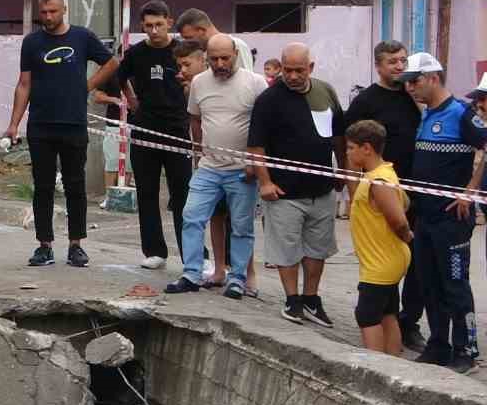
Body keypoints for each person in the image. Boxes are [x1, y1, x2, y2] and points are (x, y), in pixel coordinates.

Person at [5, 0, 119, 268]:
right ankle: (44, 245)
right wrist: (13, 124)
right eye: (43, 12)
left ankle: (76, 245)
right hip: (41, 126)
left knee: (75, 186)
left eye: (53, 11)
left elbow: (111, 62)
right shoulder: (31, 43)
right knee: (42, 187)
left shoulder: (82, 37)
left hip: (73, 124)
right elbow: (24, 84)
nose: (48, 17)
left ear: (64, 9)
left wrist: (87, 86)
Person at [247, 43, 346, 326]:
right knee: (287, 250)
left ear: (310, 68)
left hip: (322, 190)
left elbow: (339, 136)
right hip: (284, 193)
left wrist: (342, 172)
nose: (291, 76)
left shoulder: (325, 92)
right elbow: (256, 146)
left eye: (298, 70)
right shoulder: (268, 100)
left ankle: (311, 299)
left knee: (319, 248)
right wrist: (265, 182)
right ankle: (292, 301)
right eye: (286, 69)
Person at [401, 52, 485, 371]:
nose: (409, 87)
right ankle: (439, 344)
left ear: (433, 78)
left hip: (453, 219)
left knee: (454, 283)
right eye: (406, 82)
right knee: (428, 281)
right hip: (426, 215)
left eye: (414, 80)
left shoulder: (461, 113)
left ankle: (467, 350)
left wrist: (470, 191)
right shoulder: (426, 114)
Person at [166, 34, 268, 297]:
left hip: (242, 171)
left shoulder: (255, 84)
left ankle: (237, 278)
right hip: (209, 168)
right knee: (191, 216)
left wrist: (252, 163)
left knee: (242, 226)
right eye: (214, 59)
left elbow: (266, 127)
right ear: (206, 58)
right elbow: (196, 120)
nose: (220, 64)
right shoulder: (199, 83)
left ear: (235, 53)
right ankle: (191, 273)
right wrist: (198, 153)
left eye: (225, 58)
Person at [346, 40, 425, 351]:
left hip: (410, 188)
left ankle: (411, 323)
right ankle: (384, 337)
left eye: (403, 61)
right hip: (380, 190)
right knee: (382, 269)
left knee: (413, 267)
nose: (400, 67)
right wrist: (354, 191)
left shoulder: (412, 98)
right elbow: (348, 143)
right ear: (378, 65)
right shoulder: (366, 100)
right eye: (393, 62)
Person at [115, 0, 191, 272]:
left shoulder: (182, 49)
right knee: (147, 193)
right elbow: (119, 78)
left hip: (178, 131)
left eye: (159, 24)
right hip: (145, 131)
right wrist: (132, 102)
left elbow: (197, 77)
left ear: (169, 22)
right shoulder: (136, 54)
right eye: (149, 26)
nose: (154, 30)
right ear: (142, 27)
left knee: (183, 195)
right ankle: (154, 251)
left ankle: (192, 253)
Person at [345, 119, 413, 355]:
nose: (347, 152)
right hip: (384, 261)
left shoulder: (379, 181)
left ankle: (377, 368)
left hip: (381, 264)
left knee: (366, 315)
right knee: (387, 312)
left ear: (367, 148)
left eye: (351, 147)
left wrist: (407, 236)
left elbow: (399, 220)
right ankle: (393, 362)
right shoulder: (382, 173)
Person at [175, 8, 255, 73]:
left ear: (201, 30)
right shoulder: (202, 53)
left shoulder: (236, 45)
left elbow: (246, 83)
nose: (187, 42)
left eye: (189, 38)